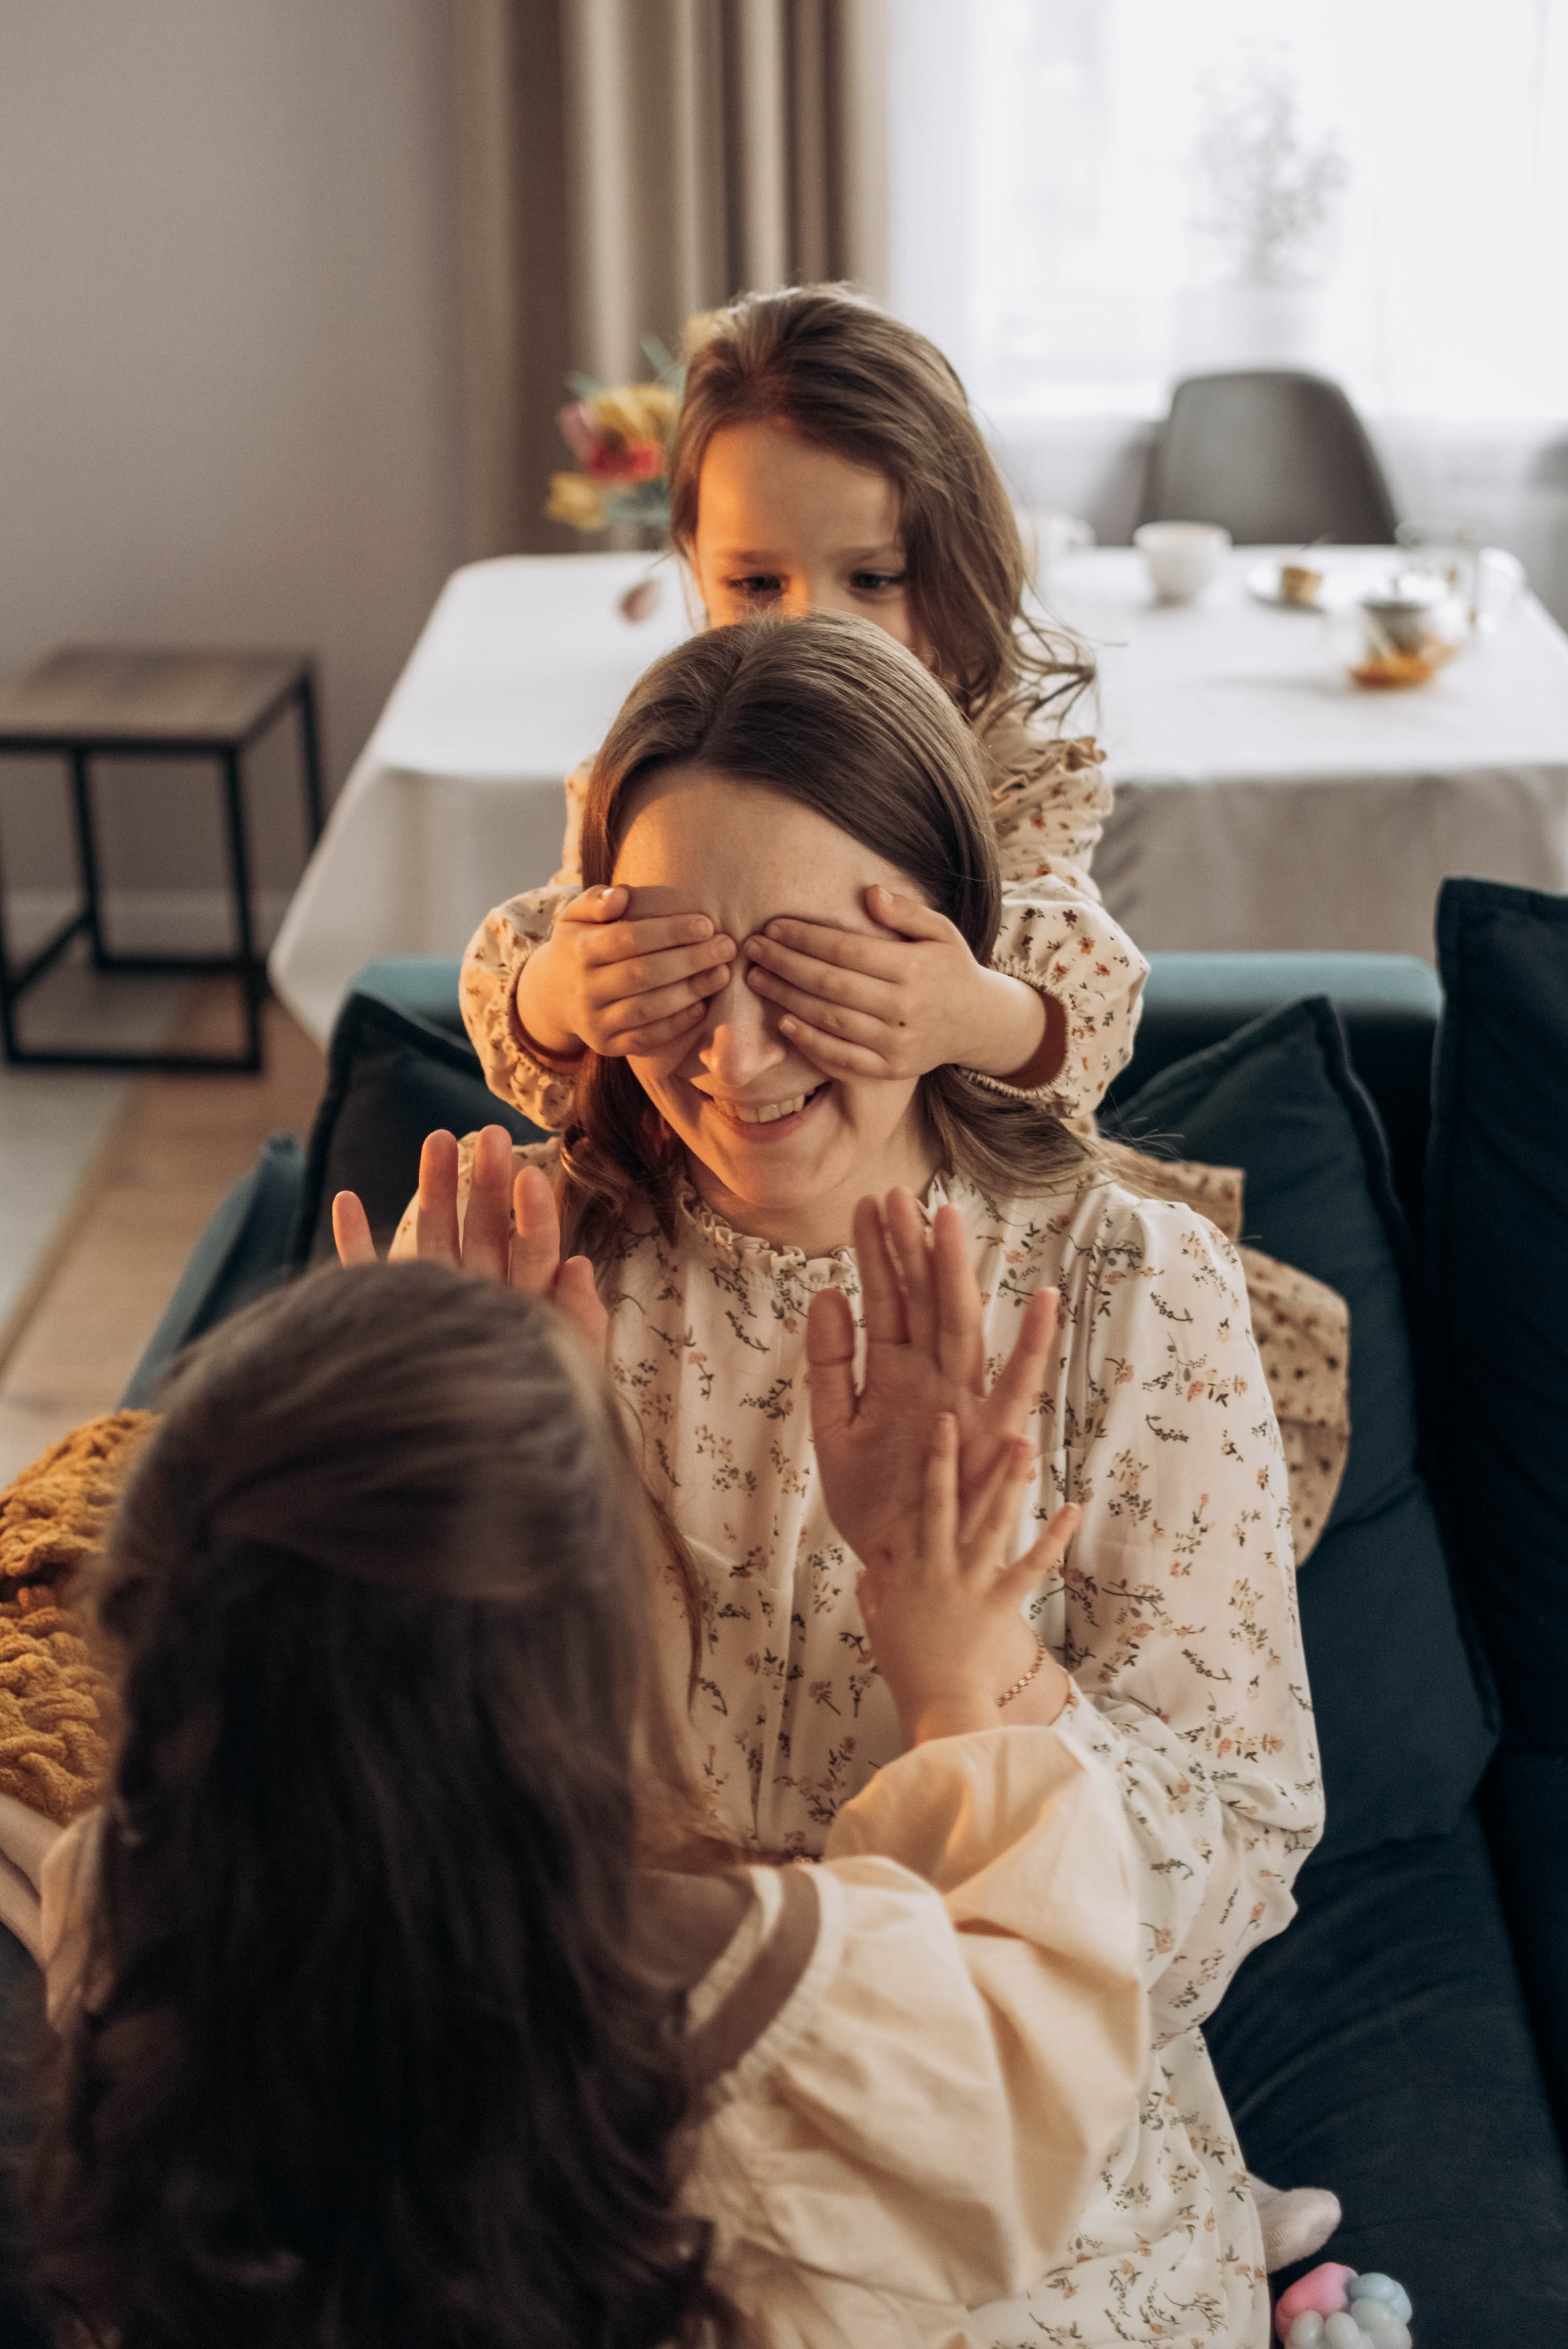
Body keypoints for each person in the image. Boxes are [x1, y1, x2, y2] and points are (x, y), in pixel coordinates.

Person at [355, 614, 1327, 2345]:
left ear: (945, 944)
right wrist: (471, 1502)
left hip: (1001, 2174)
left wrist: (969, 1666)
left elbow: (1225, 1883)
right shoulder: (528, 1267)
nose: (733, 1059)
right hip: (604, 2142)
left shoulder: (1134, 1292)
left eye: (808, 972)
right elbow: (390, 1844)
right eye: (670, 970)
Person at [0, 1258, 1145, 2349]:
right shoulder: (781, 1999)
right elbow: (1050, 2036)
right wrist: (953, 1665)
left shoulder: (112, 1909)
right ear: (589, 1673)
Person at [459, 282, 1349, 1570]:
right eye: (755, 580)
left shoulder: (1008, 782)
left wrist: (963, 1010)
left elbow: (1079, 1002)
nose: (812, 622)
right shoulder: (656, 784)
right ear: (691, 573)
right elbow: (525, 985)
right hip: (707, 1245)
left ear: (954, 574)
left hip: (969, 1239)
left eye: (870, 577)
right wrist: (564, 990)